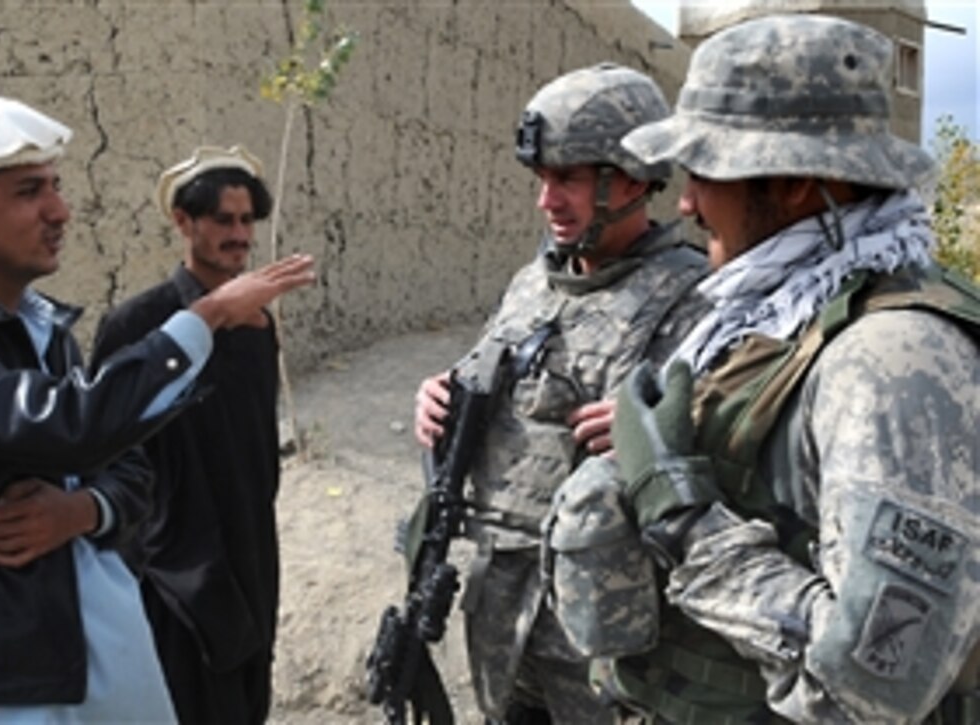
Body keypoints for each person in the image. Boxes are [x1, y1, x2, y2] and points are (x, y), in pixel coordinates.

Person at [602, 13, 980, 724]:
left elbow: (871, 686)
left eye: (704, 172)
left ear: (800, 182)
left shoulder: (892, 362)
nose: (684, 202)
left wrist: (682, 518)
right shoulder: (779, 313)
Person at [0, 96, 314, 722]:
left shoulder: (46, 332)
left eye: (56, 188)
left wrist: (84, 509)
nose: (61, 211)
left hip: (95, 662)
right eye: (30, 192)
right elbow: (73, 426)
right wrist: (205, 318)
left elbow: (126, 464)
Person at [413, 64, 709, 724]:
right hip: (501, 609)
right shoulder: (531, 285)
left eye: (568, 177)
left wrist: (661, 434)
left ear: (633, 177)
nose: (546, 200)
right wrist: (437, 398)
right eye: (541, 179)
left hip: (604, 630)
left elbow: (725, 449)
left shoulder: (693, 296)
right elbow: (484, 384)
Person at [90, 145, 282, 724]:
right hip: (175, 566)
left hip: (249, 547)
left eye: (246, 220)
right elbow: (104, 446)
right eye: (223, 220)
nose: (239, 235)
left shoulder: (259, 324)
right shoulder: (136, 325)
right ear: (184, 222)